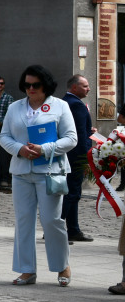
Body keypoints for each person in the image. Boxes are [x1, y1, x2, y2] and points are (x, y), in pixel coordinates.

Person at [0, 65, 77, 287]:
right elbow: (4, 136)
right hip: (22, 171)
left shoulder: (60, 106)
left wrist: (45, 149)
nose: (30, 89)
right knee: (24, 221)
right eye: (27, 85)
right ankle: (26, 270)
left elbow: (71, 138)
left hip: (50, 172)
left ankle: (62, 265)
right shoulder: (15, 107)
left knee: (52, 220)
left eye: (36, 85)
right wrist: (19, 149)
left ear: (46, 85)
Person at [62, 75, 95, 243]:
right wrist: (86, 159)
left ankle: (71, 229)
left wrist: (90, 130)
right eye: (85, 86)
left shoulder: (65, 102)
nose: (88, 89)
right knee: (71, 193)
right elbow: (79, 136)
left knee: (70, 193)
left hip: (67, 155)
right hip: (76, 157)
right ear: (74, 87)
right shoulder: (76, 105)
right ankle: (61, 230)